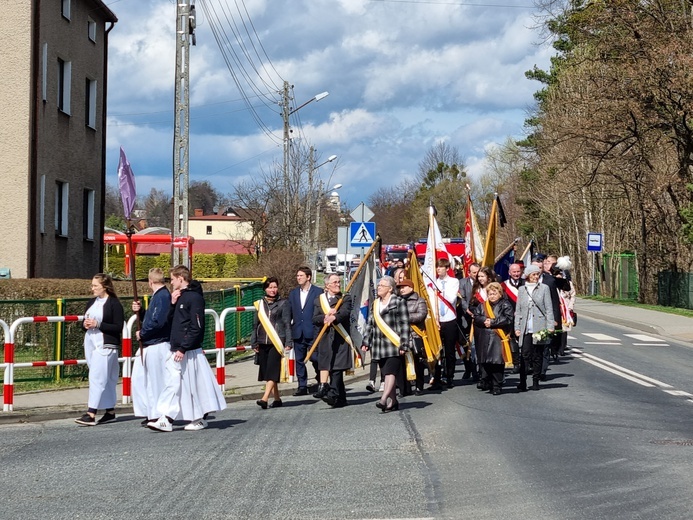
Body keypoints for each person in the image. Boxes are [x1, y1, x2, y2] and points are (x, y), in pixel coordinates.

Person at [147, 265, 226, 432]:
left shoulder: (194, 298)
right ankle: (169, 418)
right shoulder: (179, 297)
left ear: (181, 279)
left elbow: (196, 326)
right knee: (176, 384)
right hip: (177, 348)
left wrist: (183, 348)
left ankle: (175, 418)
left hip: (186, 351)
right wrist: (173, 304)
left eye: (173, 279)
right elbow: (171, 322)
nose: (171, 282)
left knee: (189, 385)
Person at [75, 274, 124, 426]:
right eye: (92, 285)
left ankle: (91, 412)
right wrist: (85, 325)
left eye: (95, 285)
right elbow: (85, 321)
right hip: (91, 342)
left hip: (106, 345)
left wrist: (98, 324)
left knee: (97, 377)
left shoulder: (114, 303)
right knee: (106, 378)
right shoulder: (92, 302)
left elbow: (118, 327)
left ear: (105, 286)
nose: (93, 288)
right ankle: (110, 411)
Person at [361, 276, 410, 412]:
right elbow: (370, 324)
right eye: (378, 285)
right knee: (385, 371)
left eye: (382, 285)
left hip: (394, 343)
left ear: (390, 288)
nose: (379, 287)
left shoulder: (399, 302)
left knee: (390, 372)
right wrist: (366, 341)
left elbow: (405, 324)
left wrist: (404, 344)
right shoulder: (375, 304)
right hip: (378, 345)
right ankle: (393, 401)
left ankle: (383, 399)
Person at [131, 268, 172, 426]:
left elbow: (158, 321)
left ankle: (156, 413)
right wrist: (141, 311)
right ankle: (150, 411)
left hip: (157, 343)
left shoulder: (162, 297)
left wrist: (143, 333)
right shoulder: (159, 296)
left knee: (155, 381)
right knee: (142, 378)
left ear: (150, 282)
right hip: (152, 342)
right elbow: (152, 316)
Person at [312, 273, 354, 408]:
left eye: (339, 282)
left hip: (340, 338)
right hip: (325, 338)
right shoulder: (319, 300)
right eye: (335, 282)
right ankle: (341, 398)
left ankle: (332, 394)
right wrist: (324, 317)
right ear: (327, 285)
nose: (338, 284)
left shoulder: (345, 298)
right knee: (328, 366)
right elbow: (314, 318)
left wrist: (334, 317)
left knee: (337, 368)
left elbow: (345, 313)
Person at [252, 277, 293, 409]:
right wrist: (254, 342)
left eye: (275, 287)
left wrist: (289, 341)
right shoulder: (260, 304)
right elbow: (255, 324)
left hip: (277, 341)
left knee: (272, 370)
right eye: (270, 287)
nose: (273, 290)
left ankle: (264, 399)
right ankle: (277, 398)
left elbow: (287, 323)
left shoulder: (284, 303)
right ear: (265, 289)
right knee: (267, 371)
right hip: (263, 341)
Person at [514, 265, 555, 391]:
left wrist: (550, 325)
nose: (536, 277)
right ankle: (522, 382)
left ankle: (536, 381)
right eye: (533, 275)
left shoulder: (544, 288)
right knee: (524, 355)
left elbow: (548, 308)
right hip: (526, 326)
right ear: (527, 276)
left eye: (537, 274)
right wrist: (517, 326)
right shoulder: (522, 289)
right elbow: (519, 309)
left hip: (539, 326)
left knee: (537, 355)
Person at [472, 282, 513, 395]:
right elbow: (476, 316)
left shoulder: (506, 304)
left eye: (495, 293)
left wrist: (493, 322)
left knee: (497, 363)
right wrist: (485, 321)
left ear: (500, 293)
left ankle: (497, 385)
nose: (492, 296)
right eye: (490, 294)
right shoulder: (482, 305)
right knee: (486, 363)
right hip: (485, 337)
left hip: (498, 337)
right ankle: (488, 382)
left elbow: (508, 318)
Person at [287, 267, 323, 396]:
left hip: (313, 331)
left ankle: (321, 381)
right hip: (298, 332)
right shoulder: (293, 294)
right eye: (297, 276)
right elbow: (289, 313)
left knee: (315, 358)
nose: (298, 278)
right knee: (299, 360)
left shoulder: (318, 292)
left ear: (308, 277)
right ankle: (302, 385)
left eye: (301, 275)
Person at [431, 258, 459, 389]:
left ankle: (450, 376)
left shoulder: (453, 281)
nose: (438, 269)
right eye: (437, 267)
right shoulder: (433, 282)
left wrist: (439, 291)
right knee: (437, 350)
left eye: (441, 267)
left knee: (449, 351)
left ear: (447, 268)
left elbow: (451, 298)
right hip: (437, 320)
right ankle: (436, 377)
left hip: (449, 318)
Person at [397, 278, 428, 395]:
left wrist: (405, 318)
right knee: (402, 362)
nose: (402, 289)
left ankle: (419, 385)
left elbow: (421, 315)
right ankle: (404, 388)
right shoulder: (397, 300)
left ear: (411, 287)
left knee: (418, 361)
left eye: (404, 287)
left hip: (415, 335)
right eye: (400, 287)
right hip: (402, 336)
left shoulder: (419, 300)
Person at [458, 262, 480, 380]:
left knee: (478, 344)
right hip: (465, 319)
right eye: (474, 273)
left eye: (478, 272)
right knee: (467, 345)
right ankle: (469, 369)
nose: (476, 275)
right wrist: (467, 310)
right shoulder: (462, 283)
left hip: (480, 317)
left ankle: (478, 370)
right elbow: (462, 299)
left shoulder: (482, 282)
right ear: (469, 272)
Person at [502, 263, 524, 372]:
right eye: (514, 272)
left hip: (524, 317)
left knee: (524, 341)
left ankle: (526, 363)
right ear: (509, 273)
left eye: (518, 271)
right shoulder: (504, 286)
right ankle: (516, 363)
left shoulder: (526, 284)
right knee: (513, 341)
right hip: (510, 317)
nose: (516, 274)